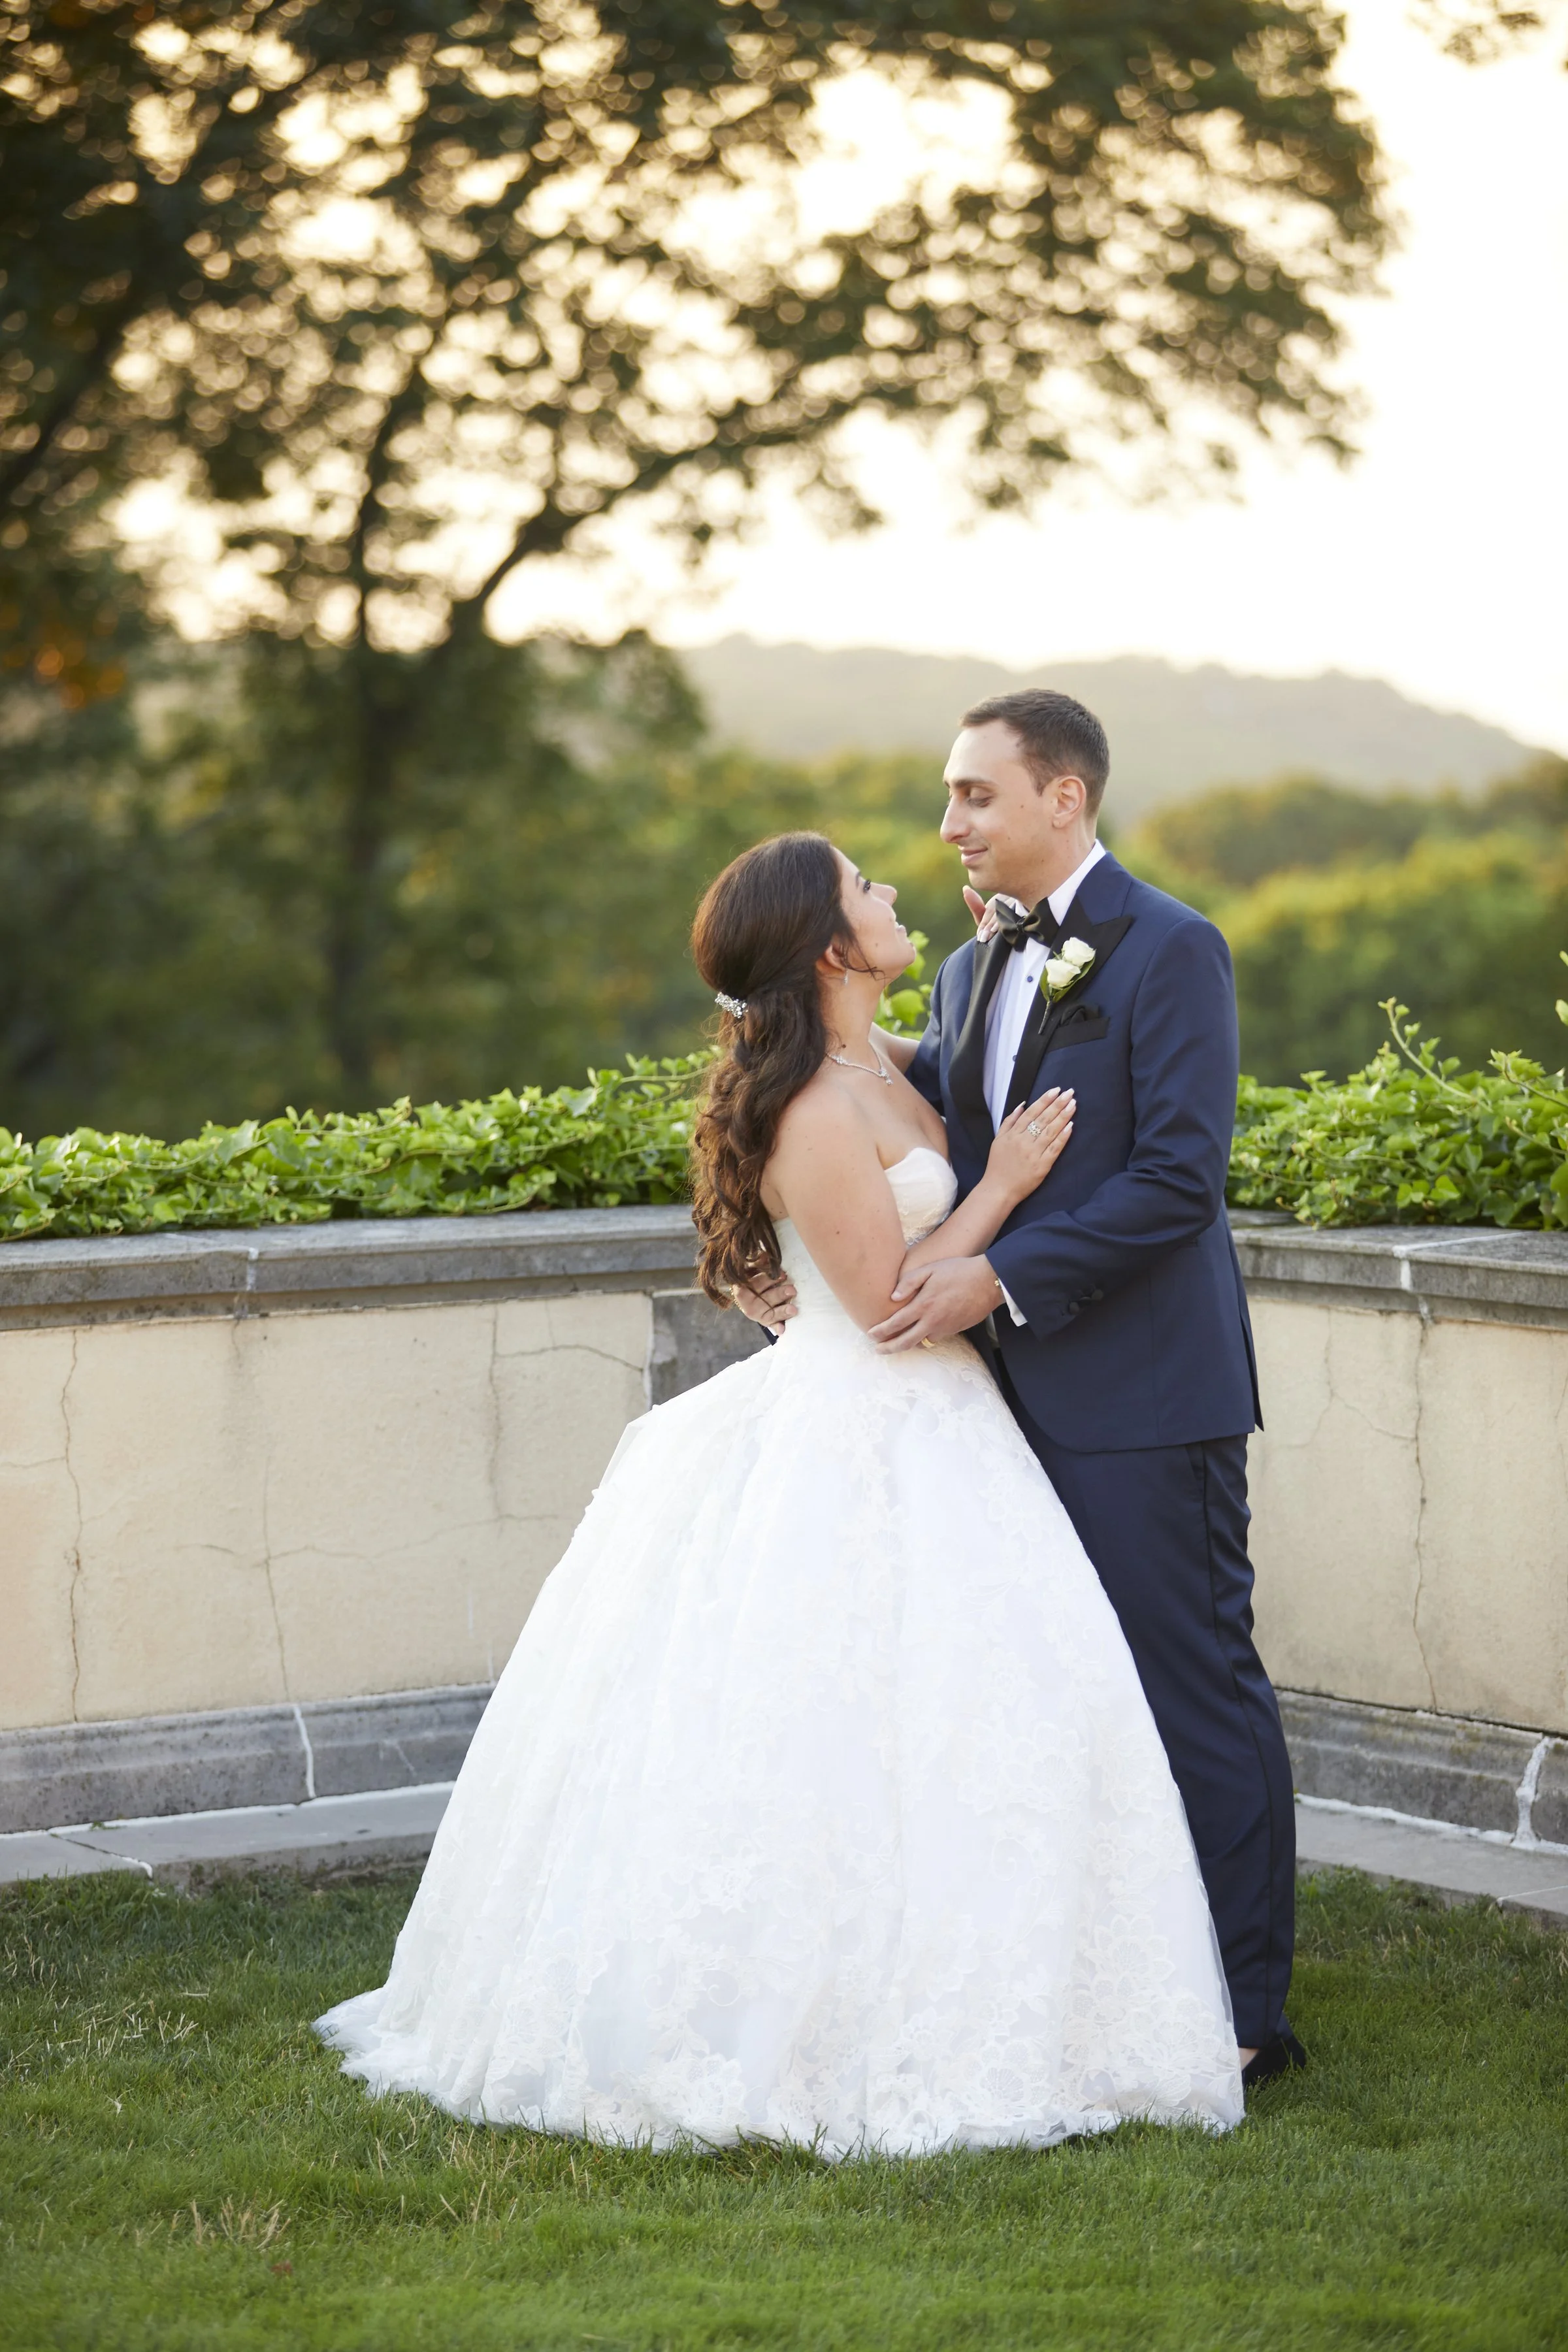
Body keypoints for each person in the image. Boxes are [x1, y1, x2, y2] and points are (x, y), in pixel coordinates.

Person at [316, 829, 1243, 2151]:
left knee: (979, 1731)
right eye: (868, 889)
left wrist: (994, 968)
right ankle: (815, 2029)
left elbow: (959, 1087)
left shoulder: (884, 1059)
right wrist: (1006, 1188)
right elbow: (886, 1307)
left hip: (955, 1430)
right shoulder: (812, 1105)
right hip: (866, 1418)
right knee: (832, 1737)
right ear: (825, 945)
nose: (895, 891)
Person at [740, 693, 1301, 2088]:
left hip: (1143, 1397)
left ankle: (1243, 2012)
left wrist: (1001, 1278)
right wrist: (779, 1249)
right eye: (947, 797)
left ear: (1065, 799)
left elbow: (1180, 1178)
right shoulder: (968, 972)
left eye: (977, 798)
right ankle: (1100, 1979)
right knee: (1058, 1714)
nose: (949, 827)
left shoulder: (1173, 950)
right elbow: (875, 1120)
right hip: (987, 1416)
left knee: (1190, 1691)